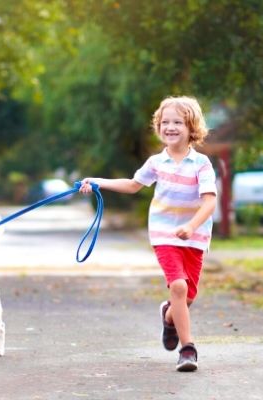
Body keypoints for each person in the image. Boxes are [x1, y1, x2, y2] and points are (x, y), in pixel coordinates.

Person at [79, 96, 217, 372]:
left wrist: (191, 226)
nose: (170, 127)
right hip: (164, 234)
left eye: (178, 122)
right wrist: (97, 182)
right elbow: (133, 185)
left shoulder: (201, 163)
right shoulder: (157, 162)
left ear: (191, 127)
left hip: (195, 236)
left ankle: (169, 318)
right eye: (165, 122)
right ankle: (187, 349)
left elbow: (210, 201)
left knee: (187, 297)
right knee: (178, 286)